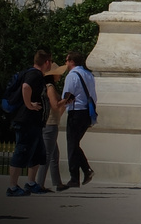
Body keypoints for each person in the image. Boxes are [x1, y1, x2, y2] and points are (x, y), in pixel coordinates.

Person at [8, 50, 50, 196]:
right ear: (46, 62)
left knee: (38, 153)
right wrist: (29, 105)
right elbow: (26, 87)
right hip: (26, 121)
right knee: (21, 151)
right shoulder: (35, 74)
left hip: (34, 122)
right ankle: (12, 187)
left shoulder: (35, 74)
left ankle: (31, 183)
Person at [33, 56, 73, 192]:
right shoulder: (50, 87)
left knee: (54, 155)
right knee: (48, 155)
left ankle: (58, 183)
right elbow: (55, 106)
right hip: (50, 124)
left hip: (50, 123)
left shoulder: (48, 86)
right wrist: (66, 100)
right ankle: (40, 184)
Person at [63, 51, 97, 188]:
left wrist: (61, 106)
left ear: (72, 61)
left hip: (75, 111)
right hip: (86, 112)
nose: (65, 63)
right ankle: (85, 170)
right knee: (75, 144)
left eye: (66, 60)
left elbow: (67, 95)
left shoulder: (72, 76)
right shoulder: (89, 74)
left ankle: (75, 176)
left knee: (71, 144)